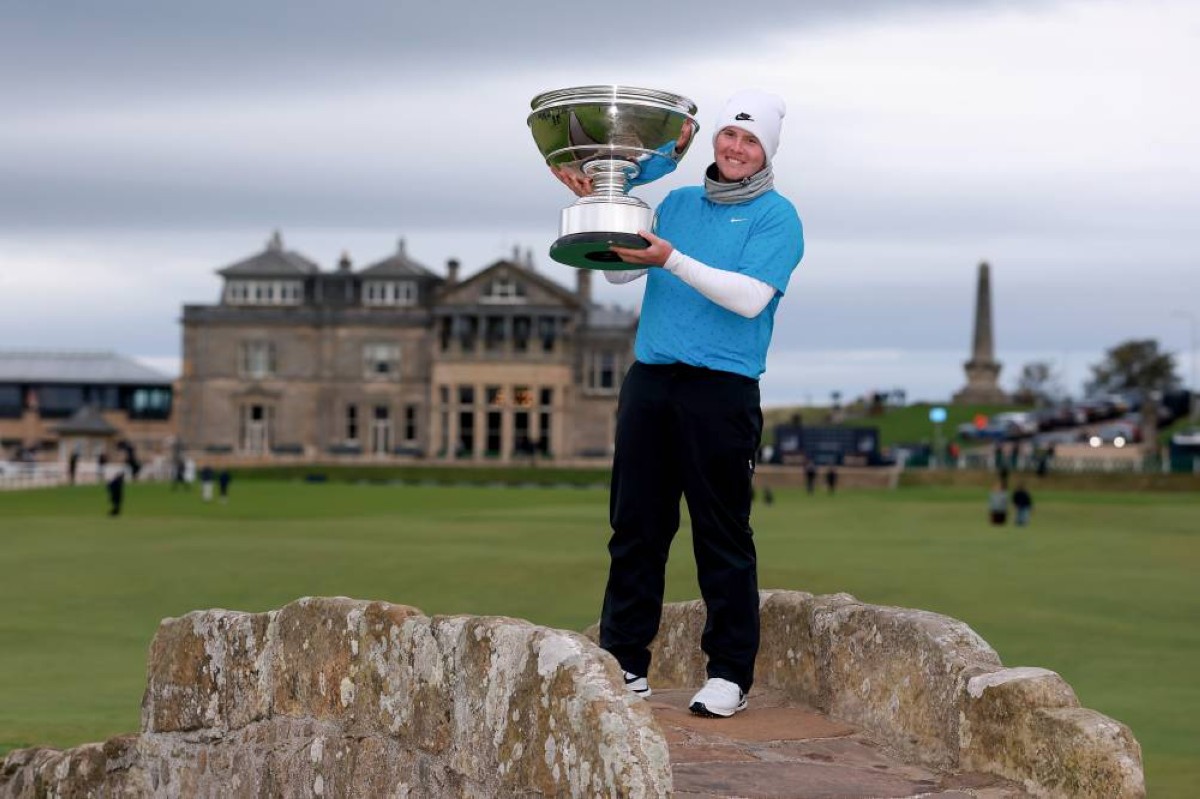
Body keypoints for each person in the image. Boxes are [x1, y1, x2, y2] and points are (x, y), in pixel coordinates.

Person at [555, 89, 803, 718]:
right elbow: (620, 273)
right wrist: (602, 207)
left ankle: (729, 673)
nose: (737, 148)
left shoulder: (778, 217)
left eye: (751, 140)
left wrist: (672, 258)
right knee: (636, 529)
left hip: (721, 389)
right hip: (652, 381)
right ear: (714, 140)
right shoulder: (677, 203)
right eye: (729, 135)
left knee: (722, 535)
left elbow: (748, 298)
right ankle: (625, 661)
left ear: (767, 150)